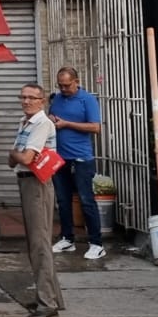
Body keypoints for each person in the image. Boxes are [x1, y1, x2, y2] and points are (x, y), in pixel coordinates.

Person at [11, 83, 63, 317]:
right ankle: (51, 297)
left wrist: (14, 155)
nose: (26, 101)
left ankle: (47, 303)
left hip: (37, 184)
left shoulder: (42, 123)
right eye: (23, 97)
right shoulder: (25, 123)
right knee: (37, 242)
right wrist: (16, 156)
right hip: (26, 181)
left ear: (42, 101)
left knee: (40, 244)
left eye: (32, 98)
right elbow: (16, 158)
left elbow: (25, 157)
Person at [48, 66, 106, 260]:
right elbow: (53, 118)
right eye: (60, 85)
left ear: (76, 82)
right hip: (60, 157)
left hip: (81, 157)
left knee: (86, 200)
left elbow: (95, 127)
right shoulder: (57, 99)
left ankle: (96, 243)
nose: (64, 89)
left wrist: (67, 124)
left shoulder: (87, 99)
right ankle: (67, 238)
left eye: (67, 85)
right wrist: (51, 120)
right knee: (63, 200)